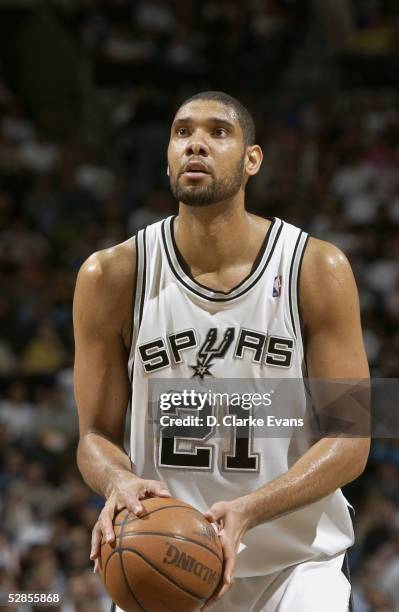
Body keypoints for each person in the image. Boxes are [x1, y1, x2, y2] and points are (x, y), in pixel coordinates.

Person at [73, 91, 370, 611]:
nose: (196, 145)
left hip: (295, 569)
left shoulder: (318, 269)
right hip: (166, 558)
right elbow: (93, 435)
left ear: (252, 160)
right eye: (182, 132)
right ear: (167, 155)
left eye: (218, 132)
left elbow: (355, 438)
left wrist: (250, 510)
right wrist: (117, 479)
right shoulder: (111, 276)